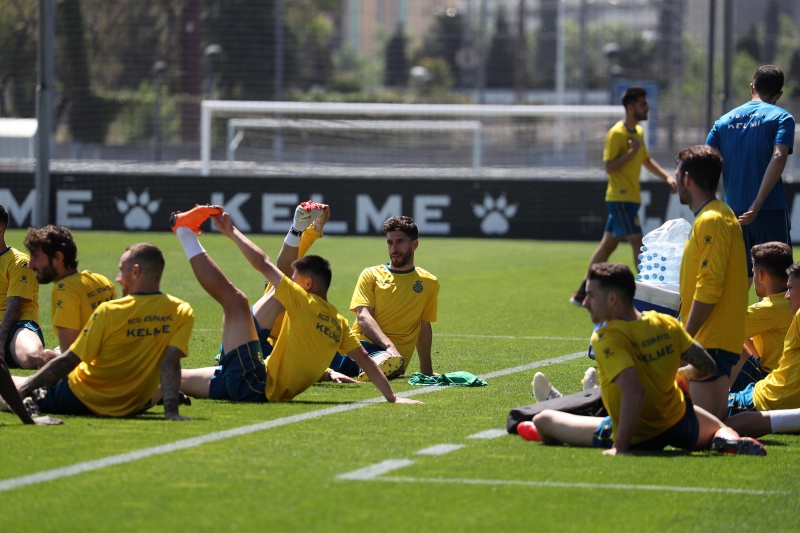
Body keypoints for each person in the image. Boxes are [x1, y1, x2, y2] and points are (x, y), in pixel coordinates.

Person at [172, 205, 422, 406]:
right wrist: (392, 397)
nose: (290, 280)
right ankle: (148, 388)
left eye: (296, 278)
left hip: (254, 380)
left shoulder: (301, 300)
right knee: (172, 378)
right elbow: (365, 360)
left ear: (308, 284)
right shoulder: (339, 323)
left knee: (235, 300)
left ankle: (185, 233)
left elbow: (263, 263)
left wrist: (231, 231)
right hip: (253, 368)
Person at [520, 262, 765, 456]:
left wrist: (621, 446)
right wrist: (680, 375)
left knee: (543, 419)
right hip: (677, 421)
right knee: (723, 428)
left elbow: (634, 391)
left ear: (613, 299)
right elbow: (706, 366)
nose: (584, 302)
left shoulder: (607, 337)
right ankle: (730, 441)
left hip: (636, 432)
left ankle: (566, 419)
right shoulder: (666, 324)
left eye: (591, 295)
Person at [8, 243, 192, 420]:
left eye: (122, 270)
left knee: (9, 391)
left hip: (84, 397)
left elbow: (70, 360)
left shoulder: (110, 311)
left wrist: (26, 387)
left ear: (136, 271)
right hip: (134, 400)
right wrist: (171, 411)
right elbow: (170, 362)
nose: (118, 278)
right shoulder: (181, 311)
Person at [570, 87, 677, 306]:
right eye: (643, 104)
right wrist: (630, 153)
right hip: (620, 199)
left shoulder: (637, 131)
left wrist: (666, 177)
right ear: (630, 107)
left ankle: (582, 293)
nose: (647, 108)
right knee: (638, 242)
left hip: (629, 199)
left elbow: (645, 160)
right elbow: (609, 167)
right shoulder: (617, 133)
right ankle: (652, 295)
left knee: (607, 246)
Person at [675, 145, 748, 420]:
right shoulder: (716, 216)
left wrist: (686, 338)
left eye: (677, 174)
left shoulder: (713, 219)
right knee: (711, 424)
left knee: (704, 429)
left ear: (688, 179)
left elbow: (709, 287)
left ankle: (585, 412)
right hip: (714, 341)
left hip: (710, 342)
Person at [706, 65, 795, 283]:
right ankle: (775, 320)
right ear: (779, 94)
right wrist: (757, 204)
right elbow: (779, 156)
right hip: (770, 210)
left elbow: (707, 163)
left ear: (752, 87)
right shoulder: (782, 118)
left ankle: (738, 319)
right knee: (781, 282)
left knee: (739, 281)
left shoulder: (723, 122)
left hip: (734, 213)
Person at [329, 215, 439, 382]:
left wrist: (427, 371)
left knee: (385, 361)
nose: (393, 248)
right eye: (389, 243)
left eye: (400, 242)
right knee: (312, 354)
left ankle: (374, 366)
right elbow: (363, 317)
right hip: (360, 346)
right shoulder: (371, 274)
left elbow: (423, 327)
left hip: (392, 359)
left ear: (414, 244)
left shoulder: (429, 282)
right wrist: (390, 347)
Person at [723, 261, 800, 437]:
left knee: (695, 412)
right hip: (768, 388)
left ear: (761, 275)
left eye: (792, 289)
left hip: (770, 398)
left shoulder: (773, 308)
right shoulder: (791, 312)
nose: (787, 296)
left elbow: (724, 328)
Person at [24, 225, 116, 359]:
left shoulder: (65, 289)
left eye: (36, 257)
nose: (30, 265)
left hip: (91, 375)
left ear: (58, 258)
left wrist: (51, 356)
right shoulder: (103, 280)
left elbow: (69, 360)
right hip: (114, 366)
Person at [730, 241, 793, 391]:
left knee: (722, 338)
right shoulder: (790, 302)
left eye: (753, 271)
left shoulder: (770, 309)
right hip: (786, 380)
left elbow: (722, 327)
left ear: (761, 275)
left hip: (771, 384)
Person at [0, 204, 48, 369]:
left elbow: (14, 308)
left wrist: (0, 342)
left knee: (33, 358)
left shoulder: (19, 262)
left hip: (17, 326)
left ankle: (59, 354)